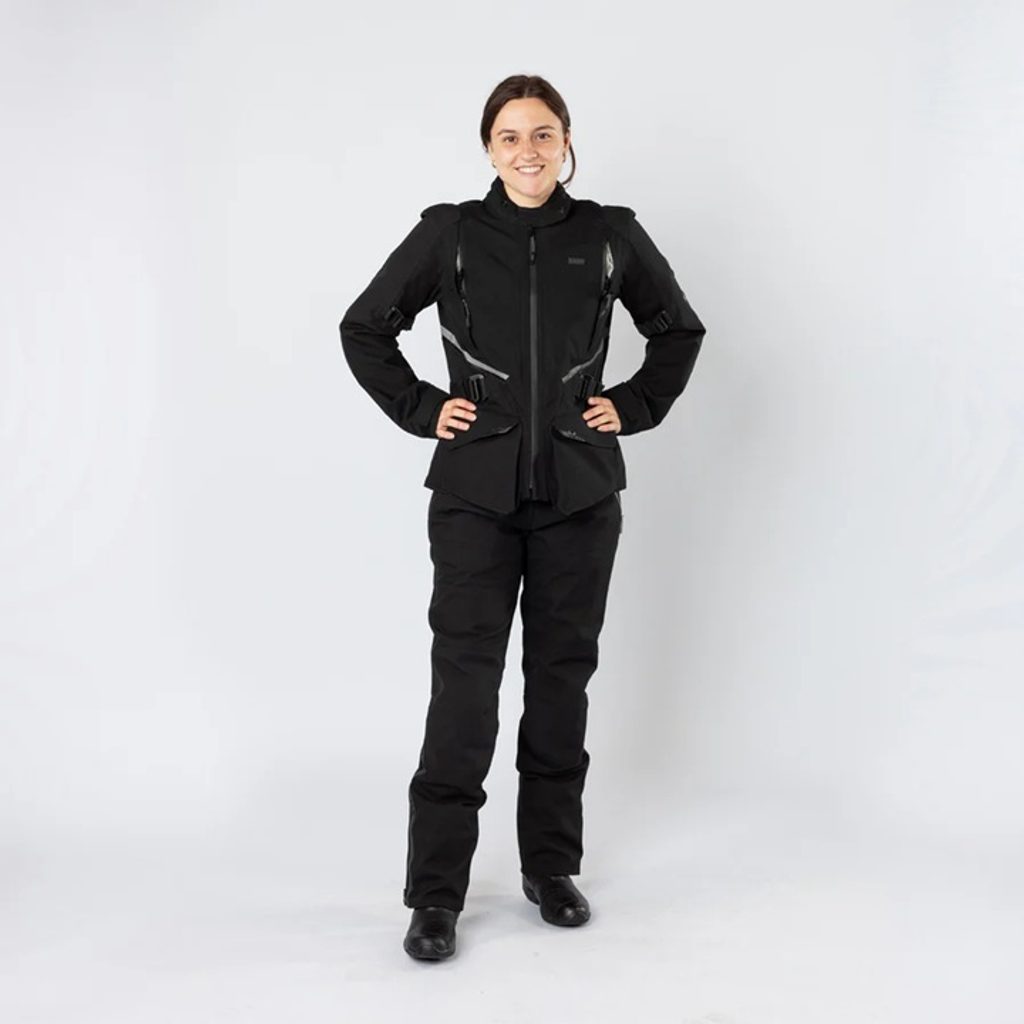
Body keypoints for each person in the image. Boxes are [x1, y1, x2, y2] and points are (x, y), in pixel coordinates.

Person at [339, 73, 707, 961]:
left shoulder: (609, 235)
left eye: (543, 133)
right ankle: (436, 895)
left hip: (580, 495)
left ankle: (550, 868)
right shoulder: (452, 234)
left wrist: (633, 404)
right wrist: (425, 408)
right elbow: (365, 326)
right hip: (475, 495)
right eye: (510, 136)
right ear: (489, 148)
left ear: (567, 141)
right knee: (463, 691)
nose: (527, 151)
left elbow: (678, 331)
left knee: (559, 684)